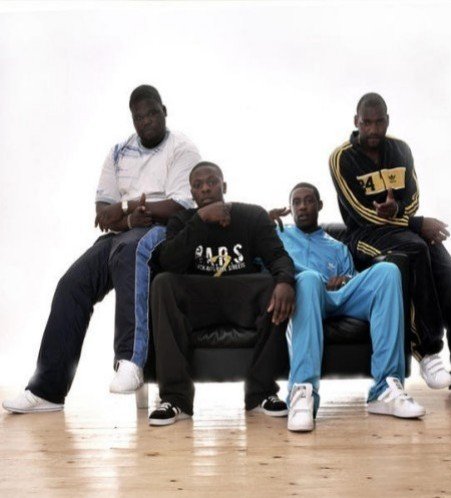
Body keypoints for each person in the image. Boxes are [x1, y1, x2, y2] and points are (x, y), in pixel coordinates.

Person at [3, 85, 201, 414]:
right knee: (72, 284)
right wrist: (128, 215)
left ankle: (130, 361)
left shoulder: (182, 149)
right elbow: (103, 213)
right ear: (133, 120)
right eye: (139, 117)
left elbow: (179, 206)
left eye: (152, 113)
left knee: (132, 251)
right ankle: (47, 390)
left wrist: (132, 210)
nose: (147, 121)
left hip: (164, 231)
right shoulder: (119, 152)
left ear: (164, 111)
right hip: (125, 231)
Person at [328, 92, 451, 398]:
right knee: (415, 249)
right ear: (356, 122)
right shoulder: (341, 158)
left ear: (387, 120)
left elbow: (413, 198)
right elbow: (361, 212)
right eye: (367, 123)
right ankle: (427, 351)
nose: (373, 129)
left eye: (379, 122)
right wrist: (415, 224)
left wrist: (400, 212)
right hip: (364, 237)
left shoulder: (400, 149)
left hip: (402, 230)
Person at [148, 161, 295, 426]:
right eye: (198, 185)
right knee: (163, 283)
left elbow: (278, 257)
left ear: (223, 186)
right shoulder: (181, 221)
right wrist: (201, 219)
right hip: (200, 299)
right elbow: (169, 262)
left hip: (240, 295)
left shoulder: (251, 215)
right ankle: (175, 399)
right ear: (192, 193)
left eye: (212, 182)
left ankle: (261, 394)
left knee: (273, 285)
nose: (205, 188)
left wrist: (285, 281)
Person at [270, 183, 425, 432]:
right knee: (308, 279)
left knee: (388, 271)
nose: (302, 207)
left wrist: (345, 280)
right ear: (290, 208)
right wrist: (261, 223)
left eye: (308, 201)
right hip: (307, 295)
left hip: (339, 297)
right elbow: (249, 252)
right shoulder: (278, 236)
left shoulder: (337, 247)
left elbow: (353, 281)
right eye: (296, 202)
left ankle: (384, 390)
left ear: (319, 205)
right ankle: (302, 393)